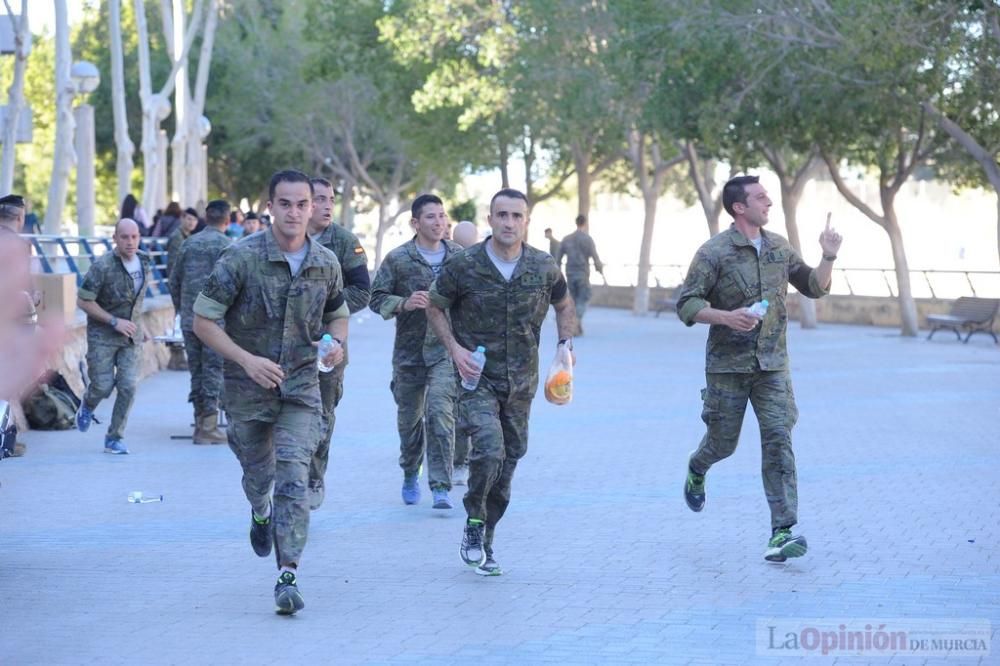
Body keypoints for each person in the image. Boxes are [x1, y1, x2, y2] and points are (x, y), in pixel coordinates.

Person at [193, 169, 349, 615]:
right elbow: (204, 321)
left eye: (303, 204)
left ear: (313, 207)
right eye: (286, 204)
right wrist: (246, 359)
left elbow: (338, 314)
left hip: (302, 385)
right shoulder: (239, 259)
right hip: (247, 389)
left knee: (295, 476)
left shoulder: (326, 262)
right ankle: (259, 512)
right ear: (270, 207)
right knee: (258, 476)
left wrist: (336, 345)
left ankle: (288, 574)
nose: (296, 212)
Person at [676, 174, 842, 563]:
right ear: (739, 207)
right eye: (761, 198)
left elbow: (814, 288)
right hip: (727, 367)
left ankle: (782, 531)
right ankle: (697, 466)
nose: (769, 203)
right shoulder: (714, 252)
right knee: (723, 444)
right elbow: (686, 304)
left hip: (773, 367)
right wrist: (725, 317)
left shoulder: (779, 248)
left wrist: (829, 256)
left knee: (778, 440)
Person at [427, 188, 577, 576]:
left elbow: (563, 303)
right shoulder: (465, 266)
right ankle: (474, 519)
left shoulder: (543, 266)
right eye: (502, 215)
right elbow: (435, 305)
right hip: (477, 379)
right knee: (489, 451)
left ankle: (485, 535)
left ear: (526, 221)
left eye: (516, 216)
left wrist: (565, 344)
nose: (509, 223)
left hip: (522, 384)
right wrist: (455, 350)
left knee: (509, 463)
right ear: (490, 219)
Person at [371, 194, 463, 509]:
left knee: (440, 414)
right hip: (409, 356)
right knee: (409, 422)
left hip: (445, 352)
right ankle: (411, 471)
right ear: (415, 222)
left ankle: (440, 485)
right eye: (431, 217)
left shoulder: (459, 257)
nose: (439, 222)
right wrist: (403, 303)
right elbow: (376, 298)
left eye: (442, 216)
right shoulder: (398, 259)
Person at [305, 177, 371, 510]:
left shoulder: (343, 241)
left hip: (328, 345)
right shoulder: (284, 240)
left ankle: (314, 476)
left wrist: (326, 306)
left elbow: (362, 290)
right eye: (319, 199)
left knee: (322, 414)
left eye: (331, 199)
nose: (328, 205)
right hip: (283, 348)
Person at [75, 218, 152, 455]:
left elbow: (137, 300)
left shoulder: (145, 262)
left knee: (128, 386)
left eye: (134, 236)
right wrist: (113, 321)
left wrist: (142, 326)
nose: (130, 242)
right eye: (125, 237)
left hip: (131, 337)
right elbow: (83, 300)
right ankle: (87, 405)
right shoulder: (103, 266)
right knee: (102, 386)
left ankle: (114, 437)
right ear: (115, 239)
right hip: (103, 335)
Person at [167, 200, 232, 445]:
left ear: (205, 218)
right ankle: (209, 427)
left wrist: (181, 310)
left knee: (197, 371)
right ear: (227, 220)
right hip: (216, 323)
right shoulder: (228, 246)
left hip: (189, 320)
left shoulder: (188, 244)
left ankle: (199, 423)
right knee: (214, 372)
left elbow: (173, 282)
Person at [447, 219, 478, 486]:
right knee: (457, 406)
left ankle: (463, 460)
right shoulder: (452, 267)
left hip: (473, 350)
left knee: (463, 406)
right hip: (452, 348)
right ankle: (459, 461)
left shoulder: (481, 266)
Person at [557, 215, 603, 335]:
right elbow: (595, 257)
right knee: (583, 298)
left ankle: (576, 325)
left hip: (570, 273)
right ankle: (576, 322)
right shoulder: (587, 239)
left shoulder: (566, 239)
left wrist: (557, 273)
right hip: (582, 273)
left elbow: (558, 258)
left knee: (572, 300)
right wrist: (600, 271)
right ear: (585, 223)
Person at [165, 207, 200, 277]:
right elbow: (174, 262)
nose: (192, 222)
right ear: (182, 219)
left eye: (195, 220)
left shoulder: (188, 236)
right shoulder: (177, 237)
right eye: (189, 219)